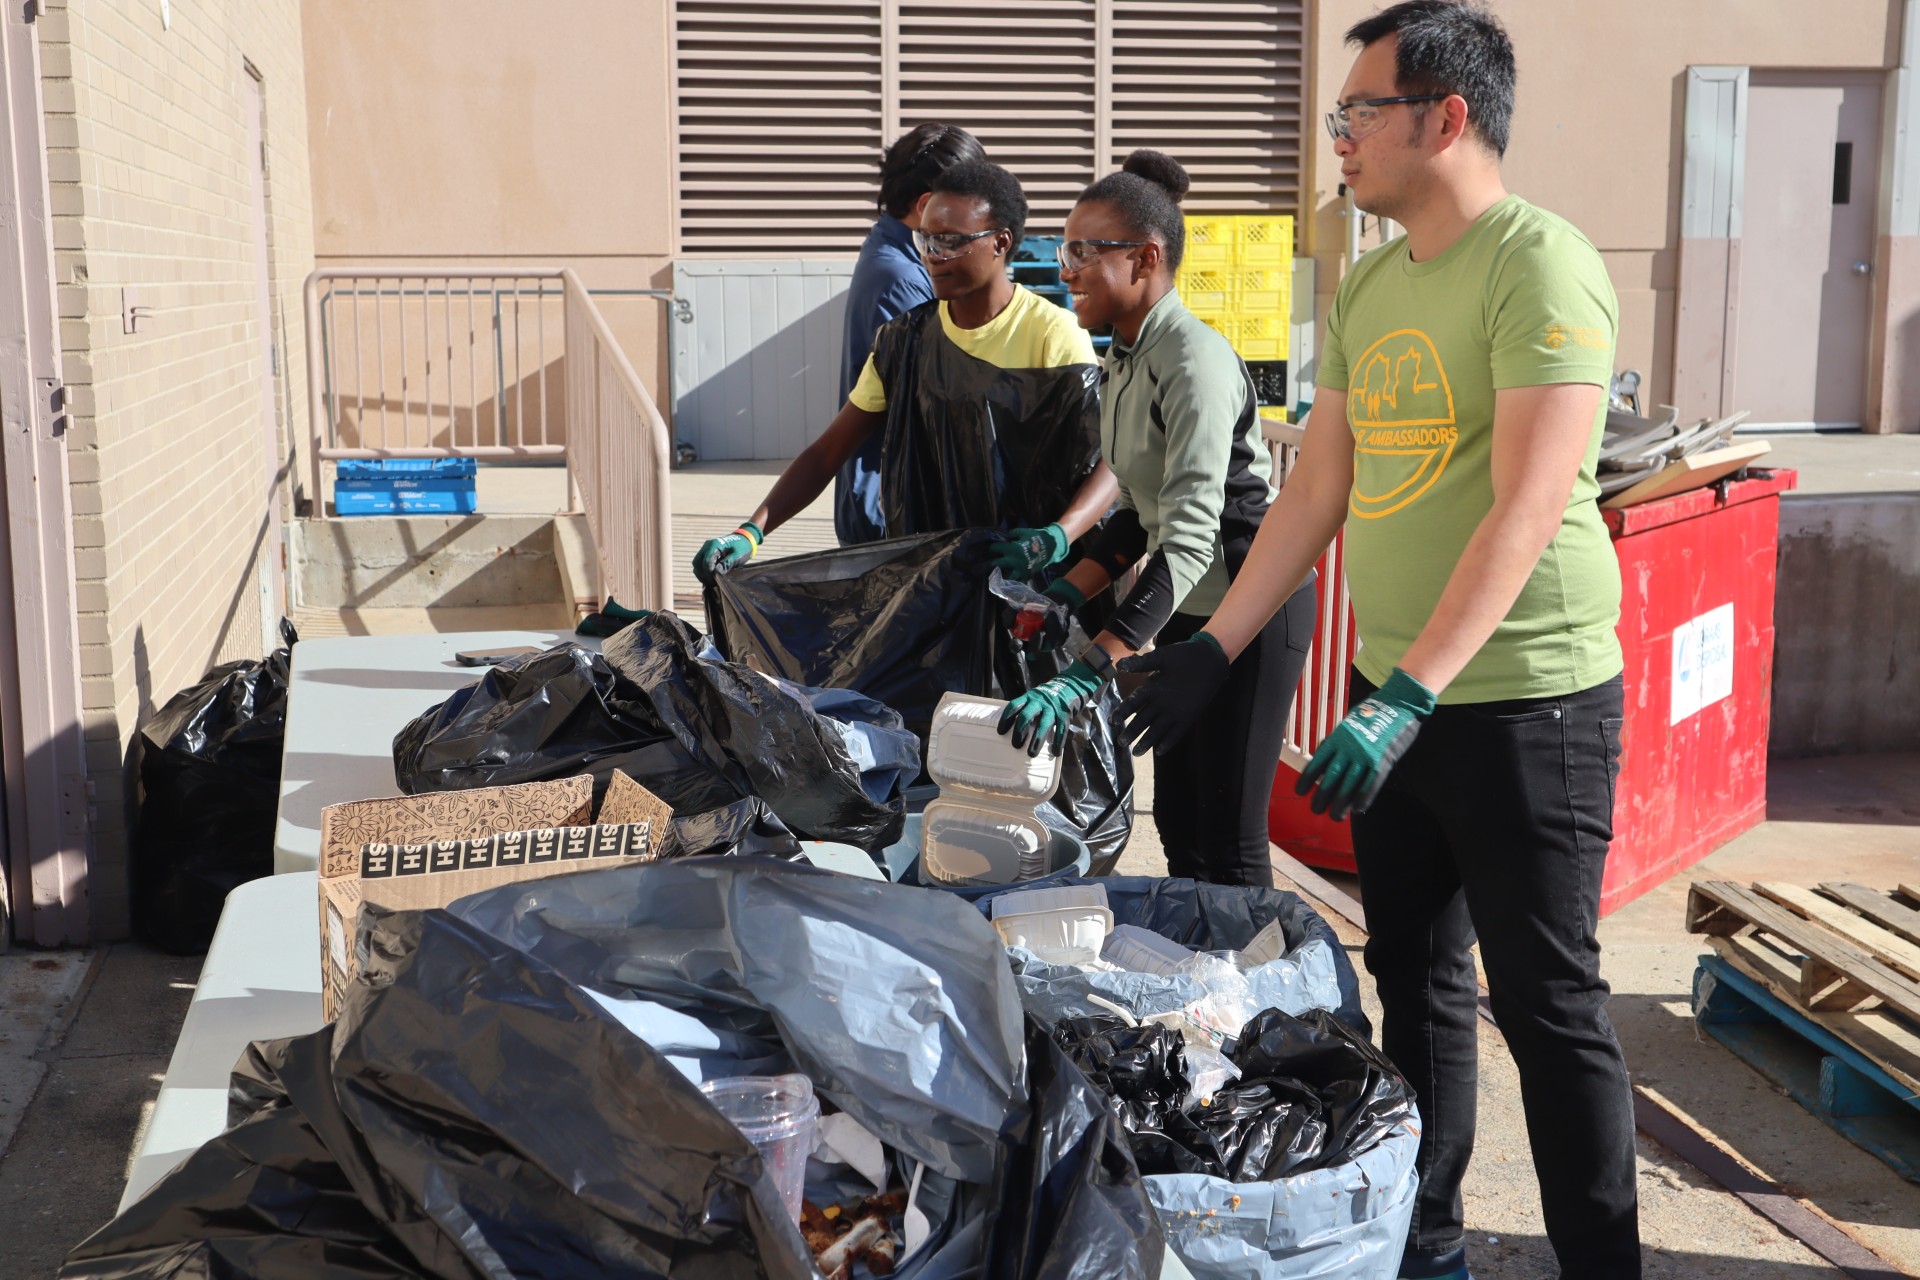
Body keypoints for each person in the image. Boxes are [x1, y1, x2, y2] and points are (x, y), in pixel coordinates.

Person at [1113, 5, 1640, 1278]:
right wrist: (1217, 646)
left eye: (1358, 112)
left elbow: (1527, 505)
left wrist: (1410, 692)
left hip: (1526, 701)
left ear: (1445, 118)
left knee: (1550, 1003)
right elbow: (1313, 494)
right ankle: (1431, 1241)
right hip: (1389, 695)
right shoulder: (1370, 280)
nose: (1336, 136)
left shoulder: (1540, 264)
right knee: (1416, 978)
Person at [992, 150, 1317, 890]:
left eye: (1082, 251)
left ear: (1145, 259)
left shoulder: (1192, 359)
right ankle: (1201, 983)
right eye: (1062, 248)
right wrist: (1062, 594)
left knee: (1228, 835)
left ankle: (1256, 999)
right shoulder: (1124, 357)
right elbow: (1139, 513)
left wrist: (1086, 671)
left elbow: (1194, 532)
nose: (1064, 268)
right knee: (1178, 821)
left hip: (1251, 610)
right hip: (1183, 606)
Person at [693, 160, 1116, 585]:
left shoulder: (1052, 333)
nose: (932, 255)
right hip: (931, 583)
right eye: (926, 239)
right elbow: (827, 452)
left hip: (1027, 578)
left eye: (950, 241)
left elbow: (1113, 461)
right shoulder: (902, 340)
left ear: (1000, 242)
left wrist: (1057, 536)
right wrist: (751, 532)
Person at [834, 123, 985, 546]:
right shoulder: (902, 278)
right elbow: (930, 406)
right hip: (892, 510)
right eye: (974, 203)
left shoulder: (900, 256)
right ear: (926, 205)